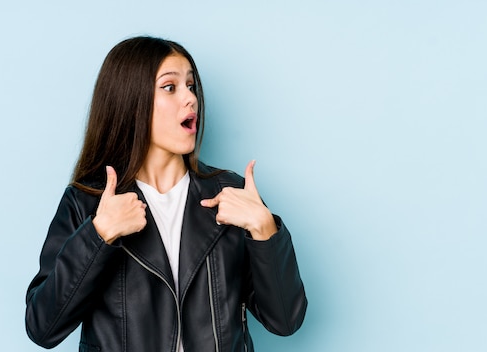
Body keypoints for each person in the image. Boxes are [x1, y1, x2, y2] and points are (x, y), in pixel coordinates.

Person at [25, 36, 307, 351]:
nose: (190, 99)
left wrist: (265, 230)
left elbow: (285, 321)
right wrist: (99, 234)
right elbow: (42, 328)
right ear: (131, 100)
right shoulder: (87, 201)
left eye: (191, 86)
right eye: (170, 87)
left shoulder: (232, 194)